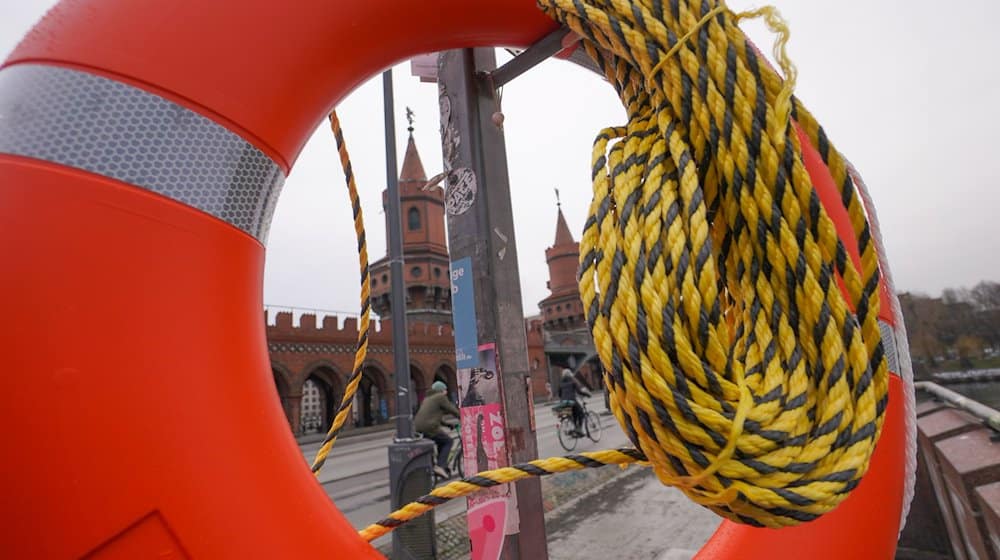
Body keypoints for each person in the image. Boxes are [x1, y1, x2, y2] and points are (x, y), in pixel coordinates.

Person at [414, 380, 460, 479]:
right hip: (429, 427)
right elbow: (451, 409)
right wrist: (463, 417)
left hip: (419, 427)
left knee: (441, 441)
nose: (446, 392)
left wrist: (448, 425)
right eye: (445, 390)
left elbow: (433, 416)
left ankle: (439, 466)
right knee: (448, 441)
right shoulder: (440, 397)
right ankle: (440, 466)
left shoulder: (428, 398)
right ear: (441, 390)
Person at [558, 368, 591, 437]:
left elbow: (559, 394)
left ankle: (575, 429)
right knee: (581, 413)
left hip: (563, 402)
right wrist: (587, 394)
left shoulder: (560, 383)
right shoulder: (573, 381)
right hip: (571, 400)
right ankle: (579, 429)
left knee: (574, 414)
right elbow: (579, 391)